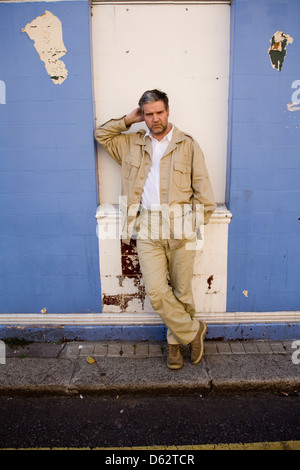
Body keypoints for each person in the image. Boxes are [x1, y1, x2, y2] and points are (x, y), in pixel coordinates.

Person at [94, 89, 215, 370]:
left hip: (182, 222)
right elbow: (101, 135)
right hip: (146, 223)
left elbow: (204, 193)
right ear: (143, 115)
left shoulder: (188, 144)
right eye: (148, 114)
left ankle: (175, 344)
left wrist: (193, 222)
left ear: (168, 111)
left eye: (159, 112)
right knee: (158, 291)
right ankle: (193, 330)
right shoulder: (130, 144)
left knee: (182, 291)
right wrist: (128, 120)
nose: (155, 118)